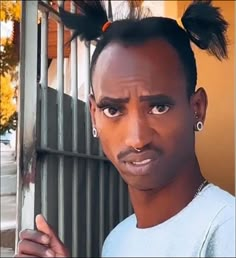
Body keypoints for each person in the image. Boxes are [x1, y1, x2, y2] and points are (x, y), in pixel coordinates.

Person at [15, 0, 235, 257]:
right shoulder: (117, 240)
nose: (137, 138)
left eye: (159, 107)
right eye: (113, 110)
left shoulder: (225, 229)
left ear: (197, 108)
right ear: (94, 116)